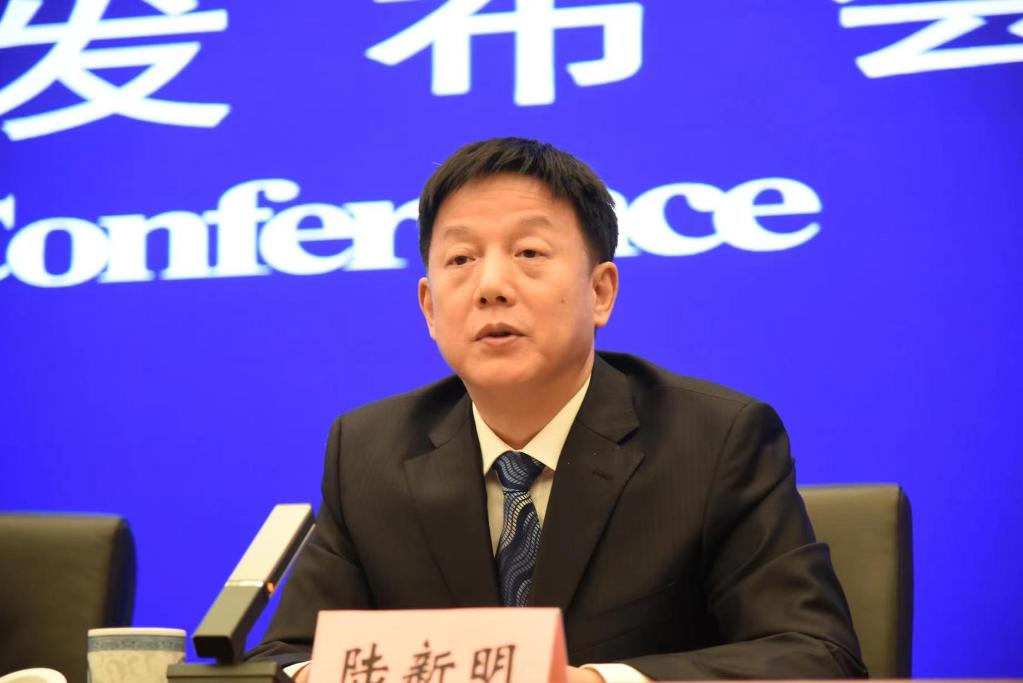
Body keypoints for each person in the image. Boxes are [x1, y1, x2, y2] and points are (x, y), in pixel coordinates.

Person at [247, 138, 866, 681]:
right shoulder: (368, 453)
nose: (491, 286)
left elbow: (814, 655)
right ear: (430, 308)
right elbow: (284, 657)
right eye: (461, 260)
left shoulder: (715, 441)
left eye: (529, 253)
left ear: (601, 292)